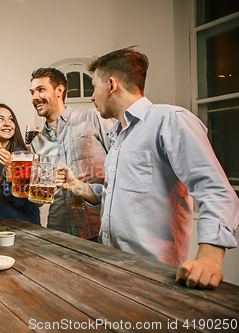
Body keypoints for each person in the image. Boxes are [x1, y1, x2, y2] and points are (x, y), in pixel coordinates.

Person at [56, 47, 238, 289]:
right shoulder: (118, 136)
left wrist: (210, 259)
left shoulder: (169, 120)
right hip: (113, 269)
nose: (91, 97)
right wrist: (78, 186)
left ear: (111, 85)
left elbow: (215, 190)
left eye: (94, 87)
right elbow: (117, 194)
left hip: (156, 277)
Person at [30, 67, 112, 239]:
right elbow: (37, 201)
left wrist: (102, 180)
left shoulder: (93, 117)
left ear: (59, 90)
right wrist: (42, 187)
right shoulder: (36, 142)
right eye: (32, 92)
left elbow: (120, 160)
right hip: (59, 230)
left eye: (41, 90)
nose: (35, 97)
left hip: (99, 228)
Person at [0, 104, 40, 224]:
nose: (7, 123)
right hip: (1, 228)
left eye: (11, 119)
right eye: (0, 119)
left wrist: (12, 168)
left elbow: (18, 201)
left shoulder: (23, 157)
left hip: (25, 229)